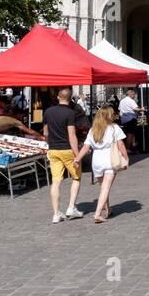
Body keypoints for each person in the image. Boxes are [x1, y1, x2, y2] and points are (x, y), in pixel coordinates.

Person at [75, 106, 128, 223]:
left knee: (103, 187)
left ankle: (108, 209)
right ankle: (98, 214)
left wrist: (77, 159)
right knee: (105, 188)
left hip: (97, 161)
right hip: (110, 159)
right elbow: (121, 145)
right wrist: (126, 157)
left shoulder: (93, 130)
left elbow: (86, 147)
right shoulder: (114, 128)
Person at [44, 87, 85, 224]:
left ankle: (56, 213)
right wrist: (77, 155)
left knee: (56, 181)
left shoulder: (48, 112)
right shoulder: (70, 113)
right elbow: (72, 136)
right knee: (76, 177)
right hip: (67, 149)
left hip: (53, 149)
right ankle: (71, 207)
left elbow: (45, 133)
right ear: (71, 97)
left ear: (57, 97)